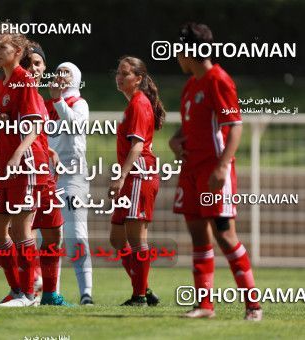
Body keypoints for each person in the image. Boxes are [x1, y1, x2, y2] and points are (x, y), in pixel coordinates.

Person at [0, 41, 72, 306]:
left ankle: (35, 292)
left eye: (39, 63)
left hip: (33, 168)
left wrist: (34, 153)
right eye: (33, 63)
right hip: (17, 166)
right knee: (2, 230)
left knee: (45, 231)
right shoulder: (9, 85)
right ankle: (22, 288)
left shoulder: (30, 87)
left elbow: (34, 130)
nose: (35, 68)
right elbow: (10, 129)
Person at [169, 22, 262, 321]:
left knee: (225, 235)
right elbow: (190, 125)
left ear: (189, 50)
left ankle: (253, 306)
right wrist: (176, 138)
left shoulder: (217, 79)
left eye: (178, 50)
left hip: (212, 171)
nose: (176, 57)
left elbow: (234, 126)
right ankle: (204, 305)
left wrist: (223, 166)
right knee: (198, 235)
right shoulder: (190, 85)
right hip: (191, 170)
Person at [109, 56, 164, 306]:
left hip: (140, 174)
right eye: (118, 72)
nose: (119, 77)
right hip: (132, 175)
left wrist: (120, 176)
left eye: (125, 74)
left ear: (138, 79)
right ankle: (143, 288)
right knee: (117, 239)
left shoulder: (139, 104)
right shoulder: (133, 103)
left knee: (136, 238)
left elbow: (138, 146)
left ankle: (139, 296)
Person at [46, 62, 94, 305]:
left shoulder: (80, 104)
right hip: (48, 175)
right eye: (58, 72)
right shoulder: (47, 105)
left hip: (73, 175)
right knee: (50, 236)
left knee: (76, 234)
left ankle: (86, 292)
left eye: (66, 73)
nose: (60, 76)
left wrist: (58, 102)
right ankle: (50, 291)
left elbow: (75, 125)